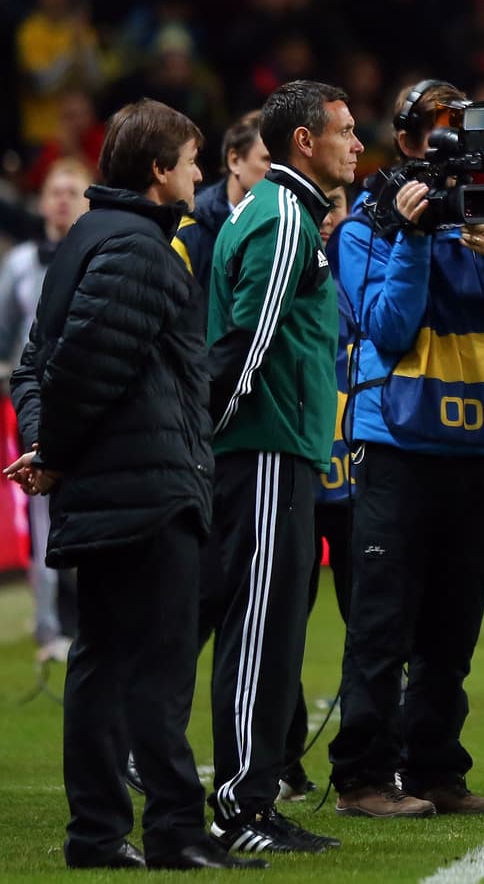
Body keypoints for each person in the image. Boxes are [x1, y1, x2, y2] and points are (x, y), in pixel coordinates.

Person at [4, 98, 262, 871]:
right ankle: (176, 829)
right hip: (145, 489)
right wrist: (55, 451)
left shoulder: (87, 237)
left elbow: (34, 368)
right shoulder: (142, 249)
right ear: (158, 171)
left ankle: (96, 833)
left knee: (102, 659)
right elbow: (83, 366)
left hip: (107, 486)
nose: (198, 175)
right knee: (157, 663)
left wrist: (50, 445)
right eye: (189, 162)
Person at [326, 78, 484, 818]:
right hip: (399, 448)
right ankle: (361, 775)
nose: (449, 151)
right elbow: (386, 327)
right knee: (383, 625)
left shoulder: (482, 220)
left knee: (452, 633)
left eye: (462, 134)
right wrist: (413, 240)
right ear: (406, 140)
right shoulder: (363, 231)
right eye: (435, 134)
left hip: (476, 448)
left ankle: (435, 769)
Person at [203, 79, 361, 854]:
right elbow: (245, 349)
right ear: (305, 141)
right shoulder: (285, 217)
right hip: (265, 450)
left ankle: (250, 798)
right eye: (345, 131)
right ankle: (241, 809)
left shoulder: (274, 212)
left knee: (262, 630)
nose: (358, 145)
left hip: (276, 448)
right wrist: (216, 437)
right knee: (260, 632)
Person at [0, 157, 92, 664]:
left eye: (71, 191)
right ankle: (50, 627)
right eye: (54, 191)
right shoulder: (18, 264)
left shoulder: (100, 255)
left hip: (89, 404)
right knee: (41, 522)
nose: (61, 199)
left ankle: (93, 620)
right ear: (41, 202)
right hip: (35, 409)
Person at [279, 183, 354, 804]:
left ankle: (369, 762)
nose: (332, 216)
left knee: (376, 632)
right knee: (281, 626)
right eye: (323, 204)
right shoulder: (280, 255)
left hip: (359, 481)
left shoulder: (365, 264)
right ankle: (283, 761)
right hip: (298, 469)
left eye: (341, 205)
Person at [172, 109, 271, 297]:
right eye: (267, 160)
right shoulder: (191, 227)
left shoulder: (289, 223)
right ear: (234, 160)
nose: (277, 171)